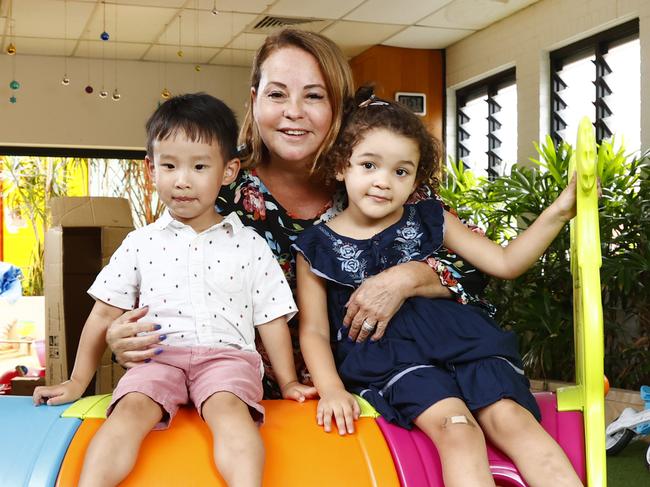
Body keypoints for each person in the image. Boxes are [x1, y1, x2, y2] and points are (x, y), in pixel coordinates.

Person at [104, 29, 490, 399]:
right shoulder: (215, 189)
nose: (293, 112)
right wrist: (125, 339)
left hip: (392, 393)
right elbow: (156, 293)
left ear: (338, 104)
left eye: (314, 96)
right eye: (277, 94)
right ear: (254, 100)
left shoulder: (382, 176)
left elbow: (479, 268)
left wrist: (408, 277)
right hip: (249, 401)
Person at [294, 89, 583, 487]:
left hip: (465, 343)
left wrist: (559, 211)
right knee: (458, 429)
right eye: (369, 165)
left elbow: (506, 263)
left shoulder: (432, 218)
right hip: (392, 359)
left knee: (512, 420)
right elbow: (313, 330)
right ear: (342, 167)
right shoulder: (315, 246)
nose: (383, 182)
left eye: (401, 171)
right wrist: (330, 390)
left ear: (415, 178)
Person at [33, 93, 314, 487]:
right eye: (169, 165)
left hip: (225, 360)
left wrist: (287, 383)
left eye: (199, 166)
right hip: (157, 359)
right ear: (151, 170)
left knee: (230, 411)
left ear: (229, 170)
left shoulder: (249, 244)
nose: (182, 180)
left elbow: (271, 319)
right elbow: (103, 313)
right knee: (128, 411)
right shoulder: (140, 243)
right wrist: (77, 381)